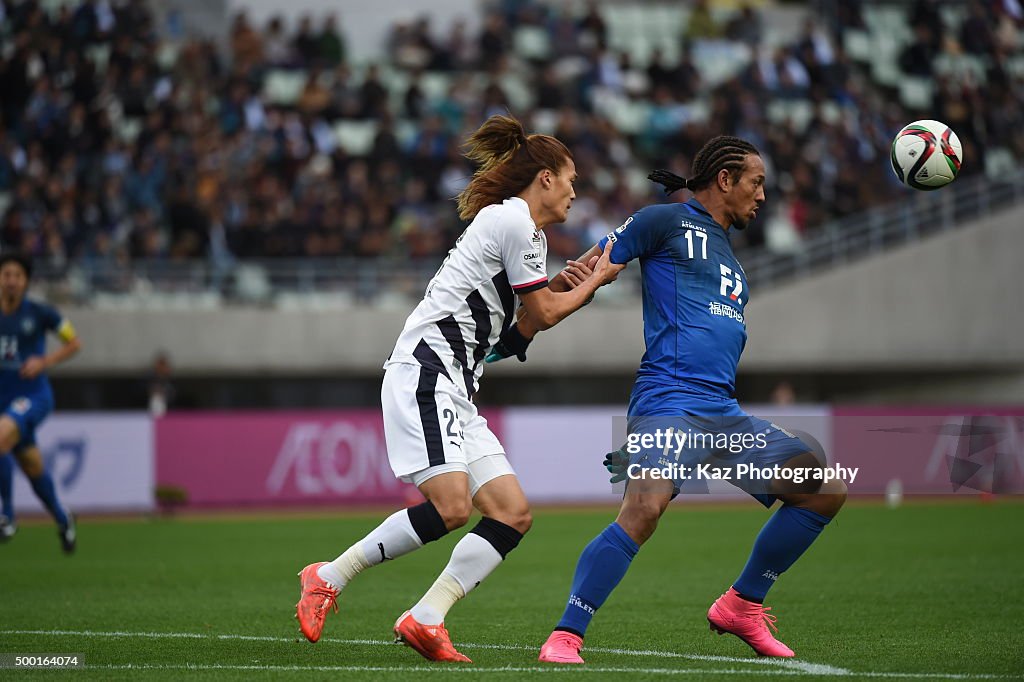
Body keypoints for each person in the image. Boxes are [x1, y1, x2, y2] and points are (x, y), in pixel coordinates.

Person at [498, 136, 847, 662]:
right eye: (756, 183)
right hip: (669, 401)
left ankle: (742, 604)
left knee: (824, 488)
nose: (762, 197)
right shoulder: (664, 220)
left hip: (722, 413)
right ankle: (566, 635)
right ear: (725, 179)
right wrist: (544, 308)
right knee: (643, 509)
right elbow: (596, 265)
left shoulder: (731, 256)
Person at [294, 114, 623, 662]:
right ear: (544, 177)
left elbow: (518, 332)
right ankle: (328, 575)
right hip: (426, 372)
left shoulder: (526, 233)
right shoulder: (513, 222)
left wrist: (571, 283)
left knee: (511, 514)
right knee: (451, 508)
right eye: (570, 179)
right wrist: (595, 280)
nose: (574, 191)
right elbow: (543, 310)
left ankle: (426, 618)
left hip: (458, 385)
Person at [0, 253, 82, 551]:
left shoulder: (40, 313)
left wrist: (45, 360)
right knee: (33, 467)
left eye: (17, 276)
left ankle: (6, 516)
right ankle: (63, 519)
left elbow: (74, 341)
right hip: (3, 401)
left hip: (33, 396)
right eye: (6, 274)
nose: (11, 281)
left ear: (26, 281)